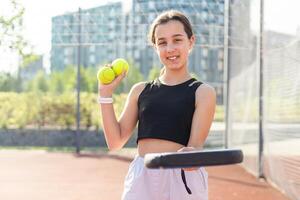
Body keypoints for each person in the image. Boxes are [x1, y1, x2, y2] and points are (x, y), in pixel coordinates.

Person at [98, 10, 216, 200]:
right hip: (142, 176)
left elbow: (195, 148)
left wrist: (192, 154)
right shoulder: (140, 90)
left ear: (191, 42)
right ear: (155, 47)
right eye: (162, 42)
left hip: (182, 178)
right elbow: (115, 141)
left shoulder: (203, 92)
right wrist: (105, 94)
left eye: (177, 40)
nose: (170, 48)